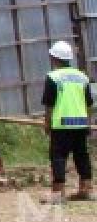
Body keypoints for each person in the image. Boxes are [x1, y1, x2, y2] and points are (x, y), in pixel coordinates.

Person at [41, 41, 93, 204]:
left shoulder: (53, 77)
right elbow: (88, 104)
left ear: (54, 58)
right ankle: (86, 189)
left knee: (58, 157)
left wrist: (47, 123)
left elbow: (49, 104)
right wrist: (88, 123)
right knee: (82, 156)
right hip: (80, 123)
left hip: (61, 124)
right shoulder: (82, 77)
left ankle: (58, 194)